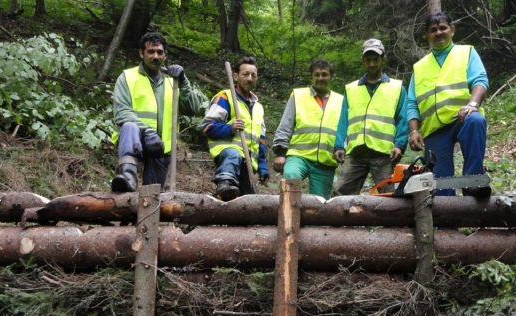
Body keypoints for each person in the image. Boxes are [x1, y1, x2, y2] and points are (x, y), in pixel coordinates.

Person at [407, 12, 490, 198]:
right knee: (441, 188)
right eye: (433, 30)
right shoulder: (419, 67)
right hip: (434, 130)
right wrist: (414, 131)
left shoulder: (466, 53)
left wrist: (472, 104)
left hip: (462, 118)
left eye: (443, 28)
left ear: (452, 30)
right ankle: (447, 212)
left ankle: (473, 181)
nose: (438, 33)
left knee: (475, 120)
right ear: (427, 35)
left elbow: (480, 80)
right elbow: (412, 103)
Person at [111, 32, 203, 193]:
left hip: (161, 148)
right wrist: (147, 131)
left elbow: (192, 109)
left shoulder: (173, 81)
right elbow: (122, 112)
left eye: (160, 52)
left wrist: (184, 82)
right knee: (129, 126)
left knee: (151, 197)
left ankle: (146, 208)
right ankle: (128, 177)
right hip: (135, 140)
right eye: (151, 52)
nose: (155, 56)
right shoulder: (128, 77)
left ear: (165, 54)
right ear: (141, 53)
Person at [331, 38, 408, 196]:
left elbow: (402, 119)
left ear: (383, 59)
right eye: (368, 59)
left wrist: (400, 145)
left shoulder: (396, 88)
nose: (372, 64)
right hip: (356, 152)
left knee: (392, 196)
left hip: (385, 153)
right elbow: (343, 120)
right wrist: (339, 146)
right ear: (363, 60)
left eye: (375, 59)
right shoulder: (351, 89)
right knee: (340, 193)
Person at [272, 59, 343, 199]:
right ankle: (289, 212)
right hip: (298, 156)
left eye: (324, 74)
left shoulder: (341, 100)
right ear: (311, 77)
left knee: (320, 203)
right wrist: (280, 152)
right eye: (317, 75)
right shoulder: (298, 96)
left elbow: (345, 131)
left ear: (332, 77)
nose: (320, 78)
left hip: (326, 161)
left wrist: (342, 148)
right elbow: (285, 125)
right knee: (291, 177)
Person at [202, 56, 269, 201]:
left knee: (248, 203)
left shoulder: (258, 107)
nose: (249, 78)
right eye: (245, 74)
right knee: (233, 157)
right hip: (229, 155)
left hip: (249, 164)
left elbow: (261, 141)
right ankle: (224, 183)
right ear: (235, 76)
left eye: (253, 75)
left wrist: (262, 167)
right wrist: (230, 128)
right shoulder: (225, 98)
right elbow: (207, 127)